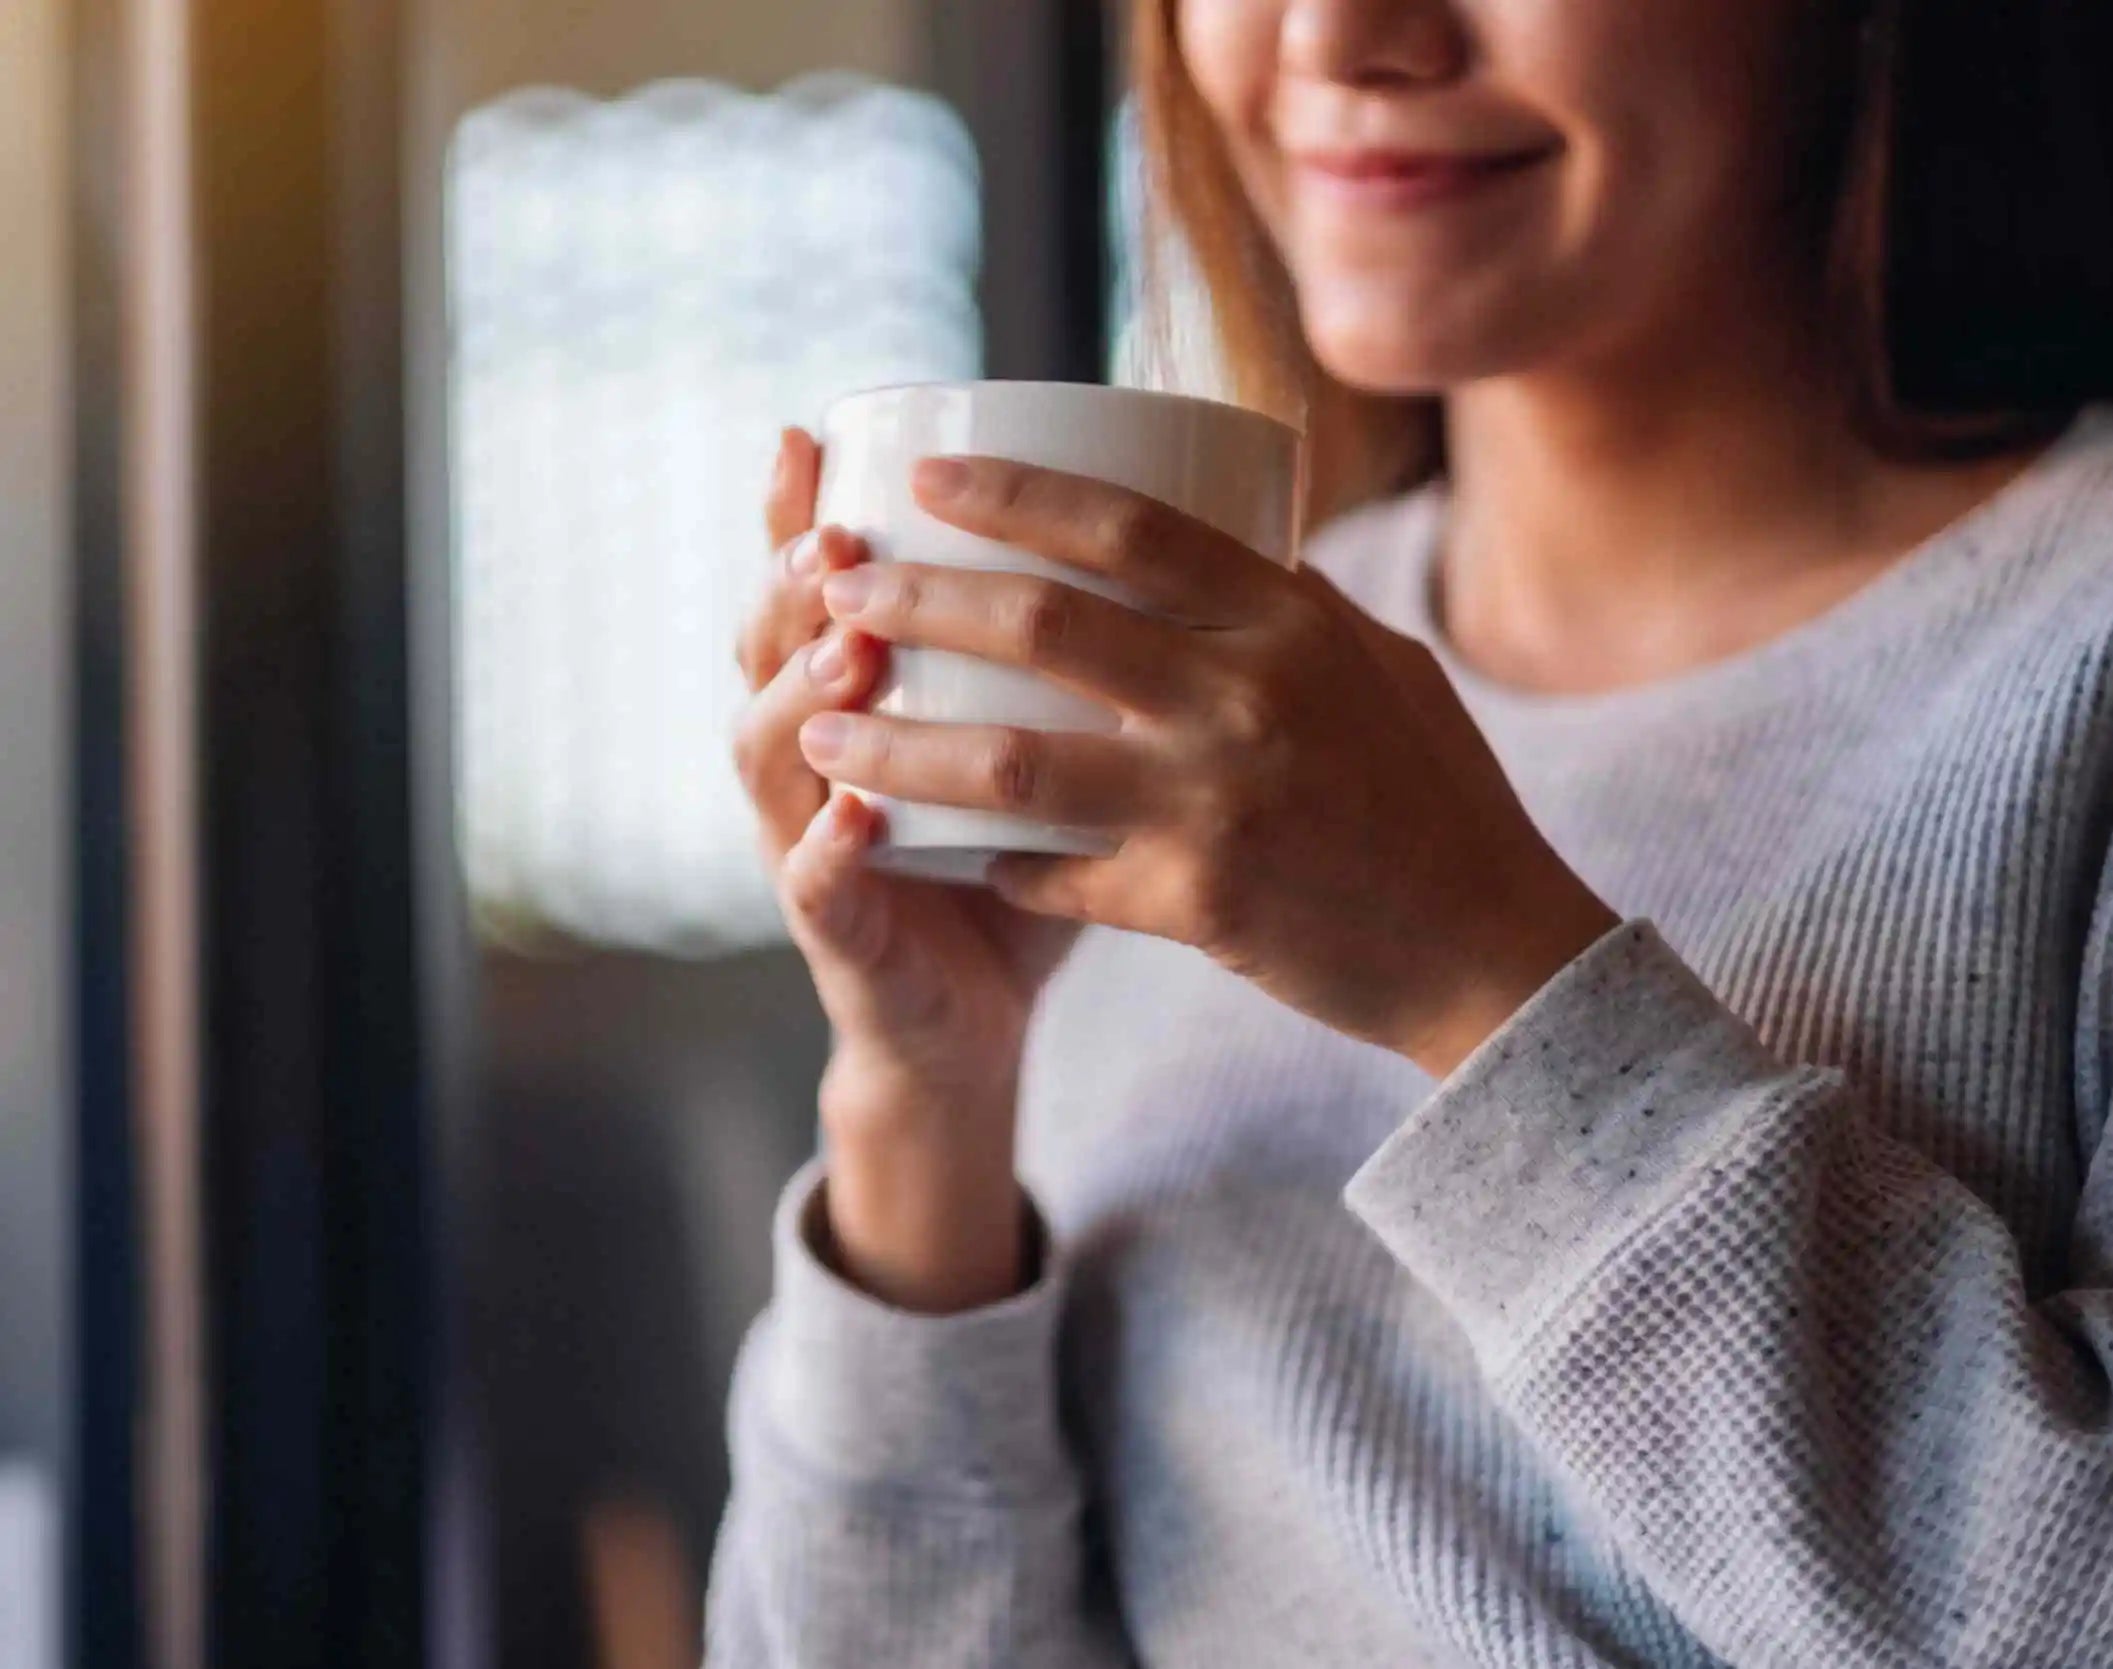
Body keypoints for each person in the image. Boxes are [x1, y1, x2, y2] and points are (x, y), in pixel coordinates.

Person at [712, 1, 2113, 1663]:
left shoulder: (2063, 669)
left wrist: (1487, 973)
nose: (1340, 37)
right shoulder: (1188, 720)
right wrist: (924, 1095)